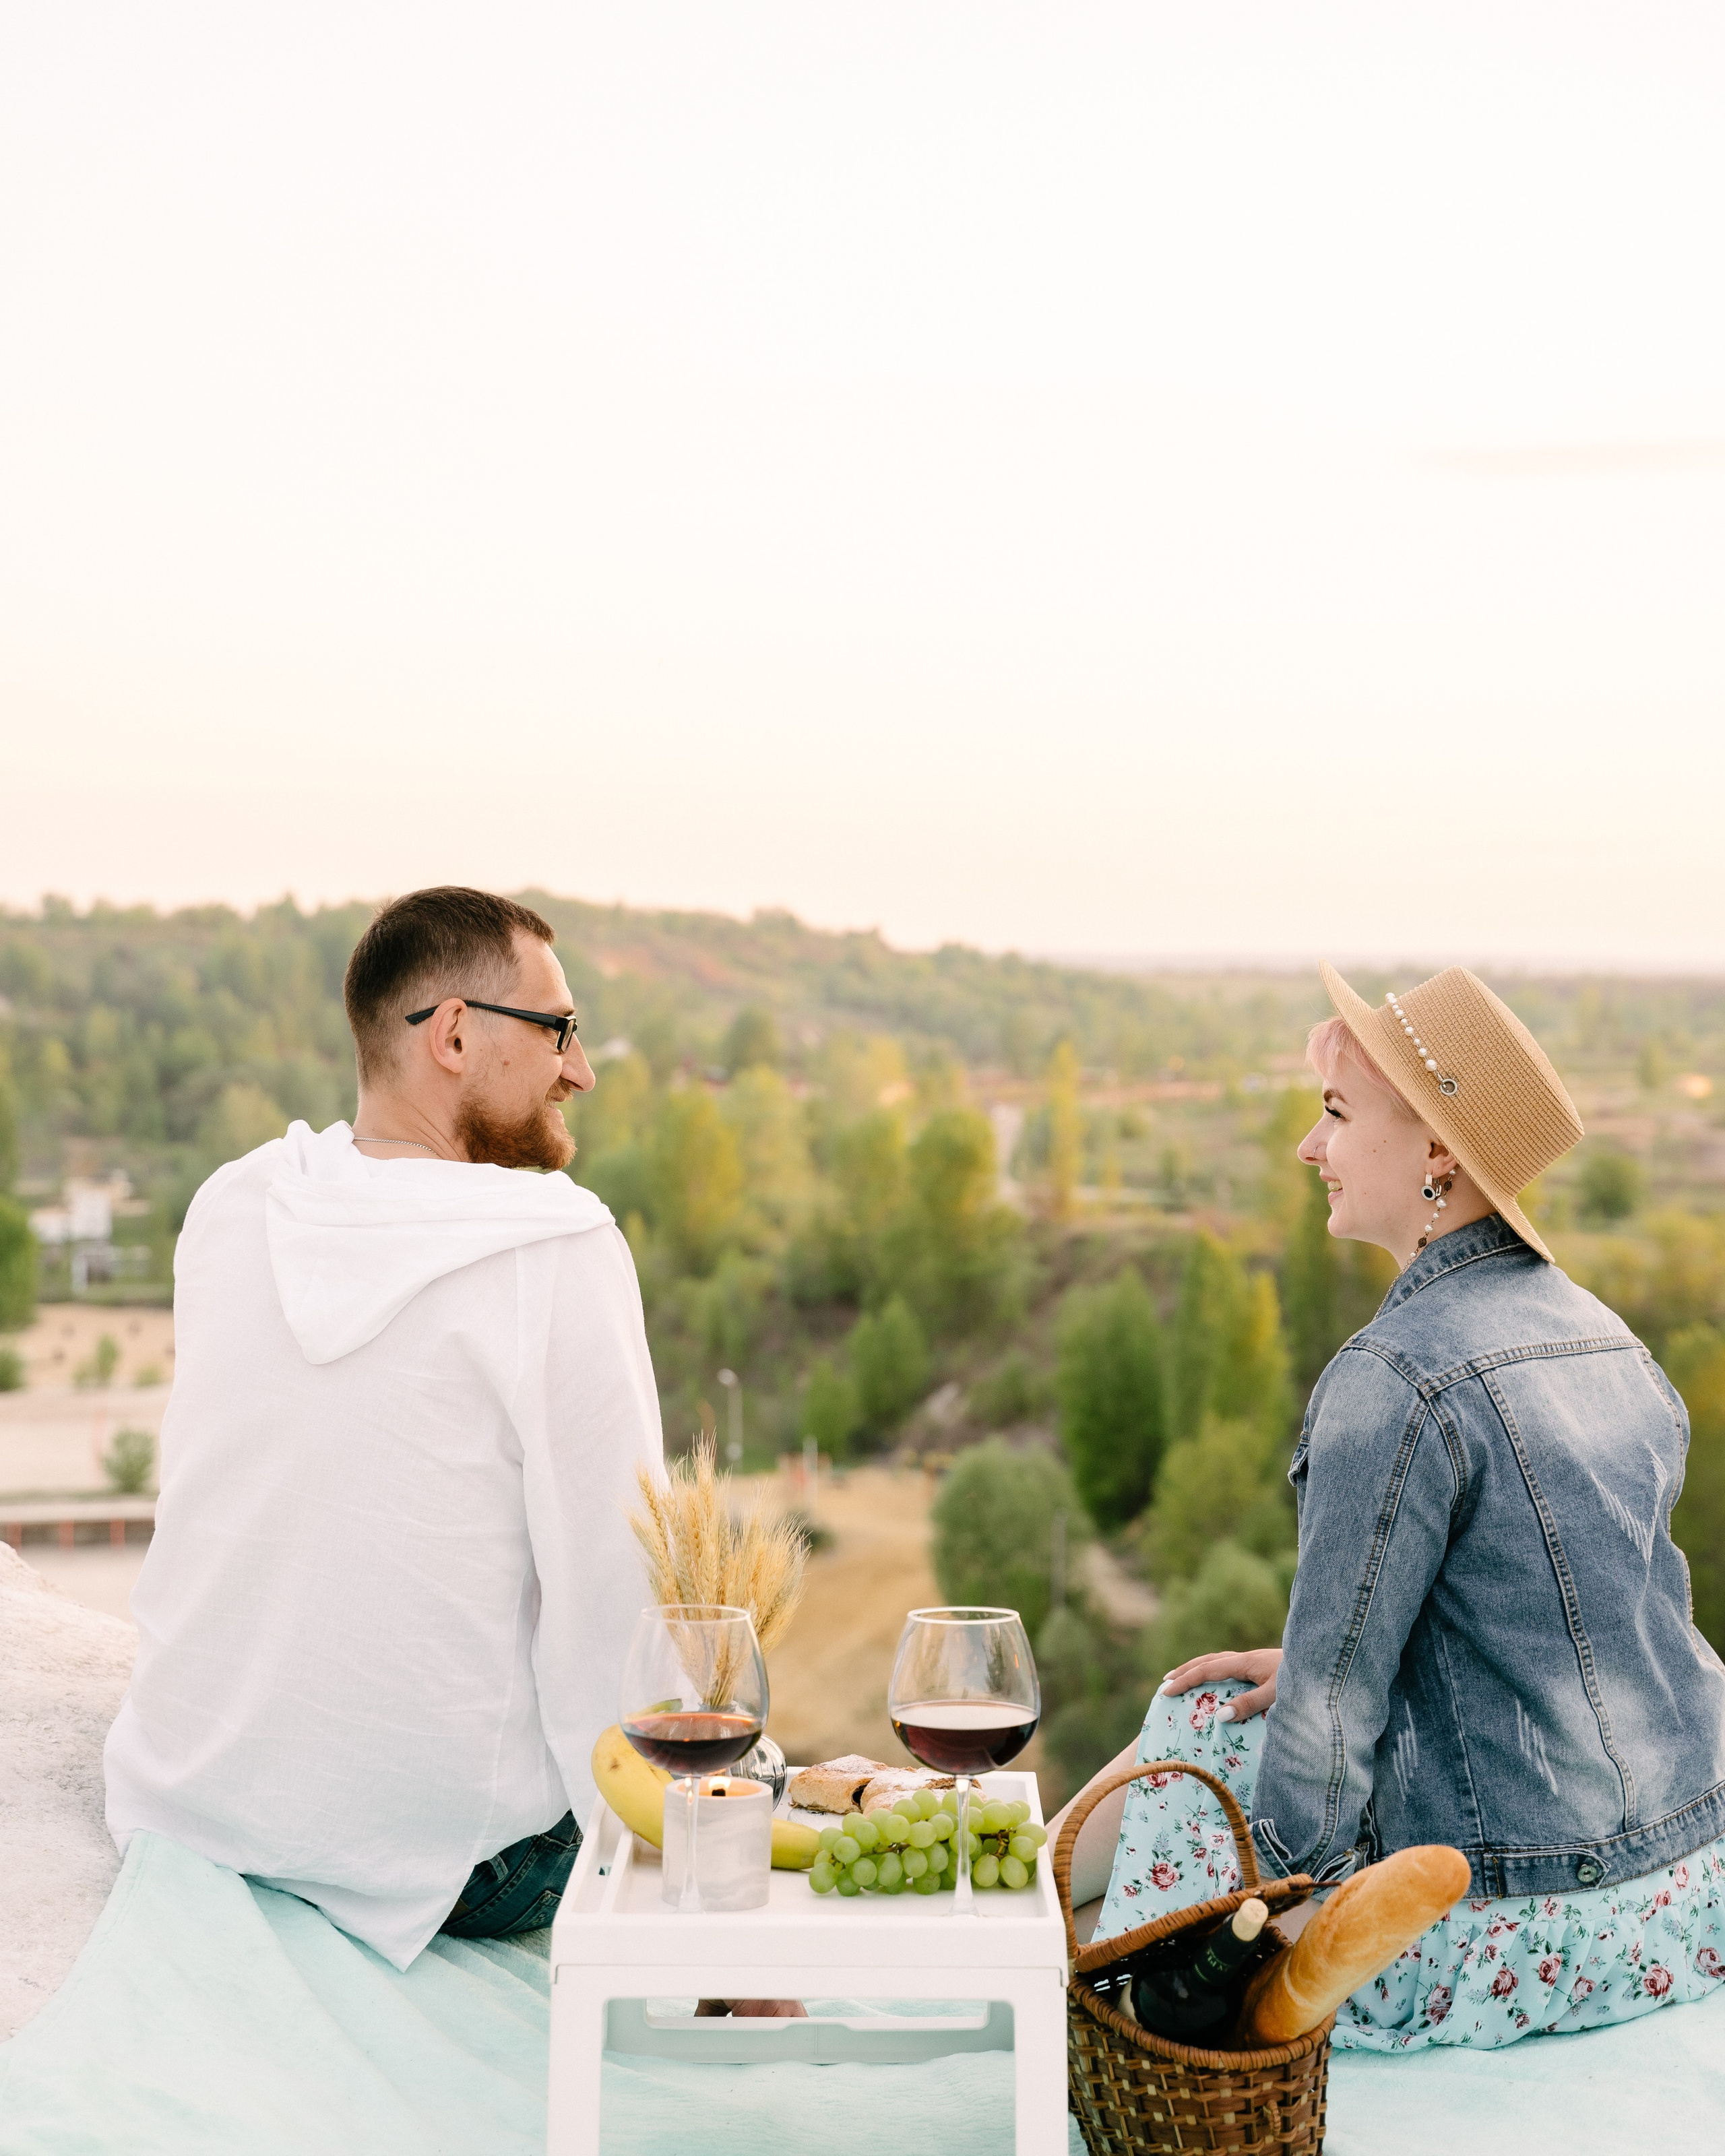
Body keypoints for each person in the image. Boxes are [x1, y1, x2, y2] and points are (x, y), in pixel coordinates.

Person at [1055, 964, 1725, 2049]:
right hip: (1684, 1905)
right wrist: (1328, 1665)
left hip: (1509, 1942)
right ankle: (1038, 1918)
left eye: (1335, 1112)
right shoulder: (1611, 1341)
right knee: (1259, 1701)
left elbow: (1320, 1758)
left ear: (1439, 1153)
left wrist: (1256, 1933)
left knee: (1199, 1724)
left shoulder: (1394, 1379)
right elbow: (1584, 1636)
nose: (1307, 1147)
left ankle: (1069, 1978)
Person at [105, 887, 664, 1969]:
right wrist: (683, 1863)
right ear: (454, 1035)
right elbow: (623, 1602)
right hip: (447, 1867)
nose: (580, 1071)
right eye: (559, 1029)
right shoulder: (553, 1247)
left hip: (193, 1805)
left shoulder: (235, 1204)